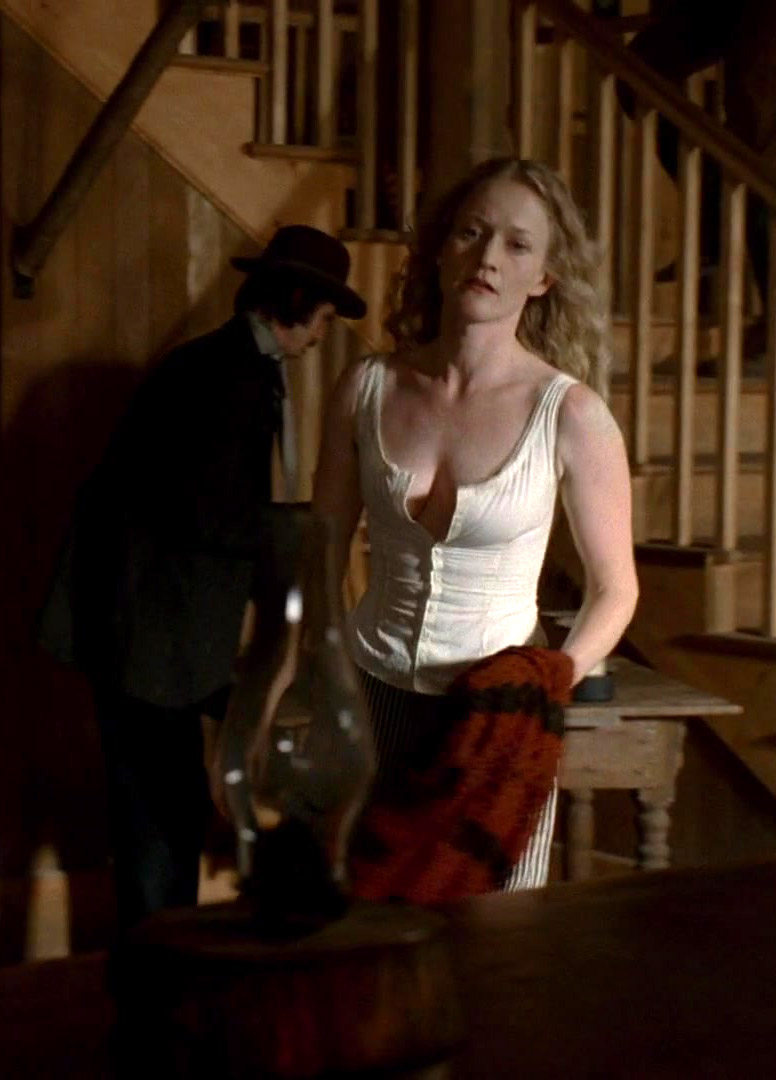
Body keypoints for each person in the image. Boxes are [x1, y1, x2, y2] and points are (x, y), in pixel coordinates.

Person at [313, 157, 639, 892]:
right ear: (440, 249)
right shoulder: (368, 386)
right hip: (370, 693)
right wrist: (322, 669)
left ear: (544, 277)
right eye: (472, 232)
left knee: (494, 938)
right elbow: (321, 549)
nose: (489, 257)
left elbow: (616, 590)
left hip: (495, 724)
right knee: (361, 922)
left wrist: (543, 687)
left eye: (517, 245)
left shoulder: (571, 413)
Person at [37, 225, 367, 932]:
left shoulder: (230, 365)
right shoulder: (228, 375)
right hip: (145, 640)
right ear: (297, 300)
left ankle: (163, 953)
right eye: (324, 317)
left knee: (166, 814)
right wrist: (306, 529)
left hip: (154, 635)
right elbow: (206, 511)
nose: (322, 335)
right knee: (157, 827)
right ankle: (162, 965)